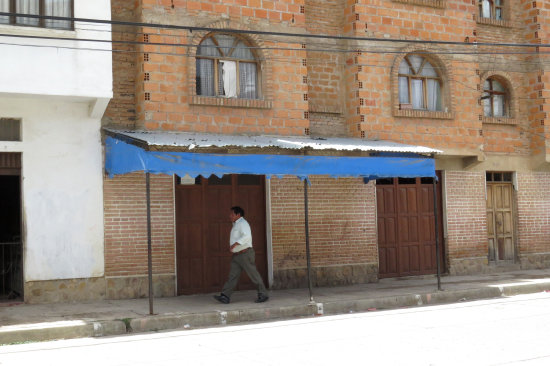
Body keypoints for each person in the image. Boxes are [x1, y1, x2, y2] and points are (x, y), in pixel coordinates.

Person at [214, 206, 269, 304]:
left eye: (232, 214)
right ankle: (225, 296)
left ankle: (263, 294)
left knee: (253, 275)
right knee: (232, 276)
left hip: (245, 254)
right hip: (237, 255)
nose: (230, 216)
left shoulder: (243, 224)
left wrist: (235, 244)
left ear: (238, 215)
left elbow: (246, 236)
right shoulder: (236, 224)